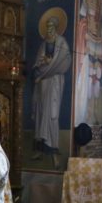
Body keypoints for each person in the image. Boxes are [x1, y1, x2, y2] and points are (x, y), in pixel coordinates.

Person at [31, 15, 71, 169]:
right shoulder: (43, 44)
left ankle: (54, 152)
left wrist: (49, 67)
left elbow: (64, 61)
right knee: (41, 115)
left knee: (52, 115)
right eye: (47, 26)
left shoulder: (62, 43)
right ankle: (40, 150)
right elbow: (37, 63)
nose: (49, 29)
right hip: (43, 84)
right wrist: (43, 63)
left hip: (54, 82)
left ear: (56, 27)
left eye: (51, 26)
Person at [75, 0, 102, 124]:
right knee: (88, 72)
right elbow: (82, 15)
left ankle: (95, 111)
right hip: (89, 36)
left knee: (97, 73)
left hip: (99, 37)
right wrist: (85, 30)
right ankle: (86, 111)